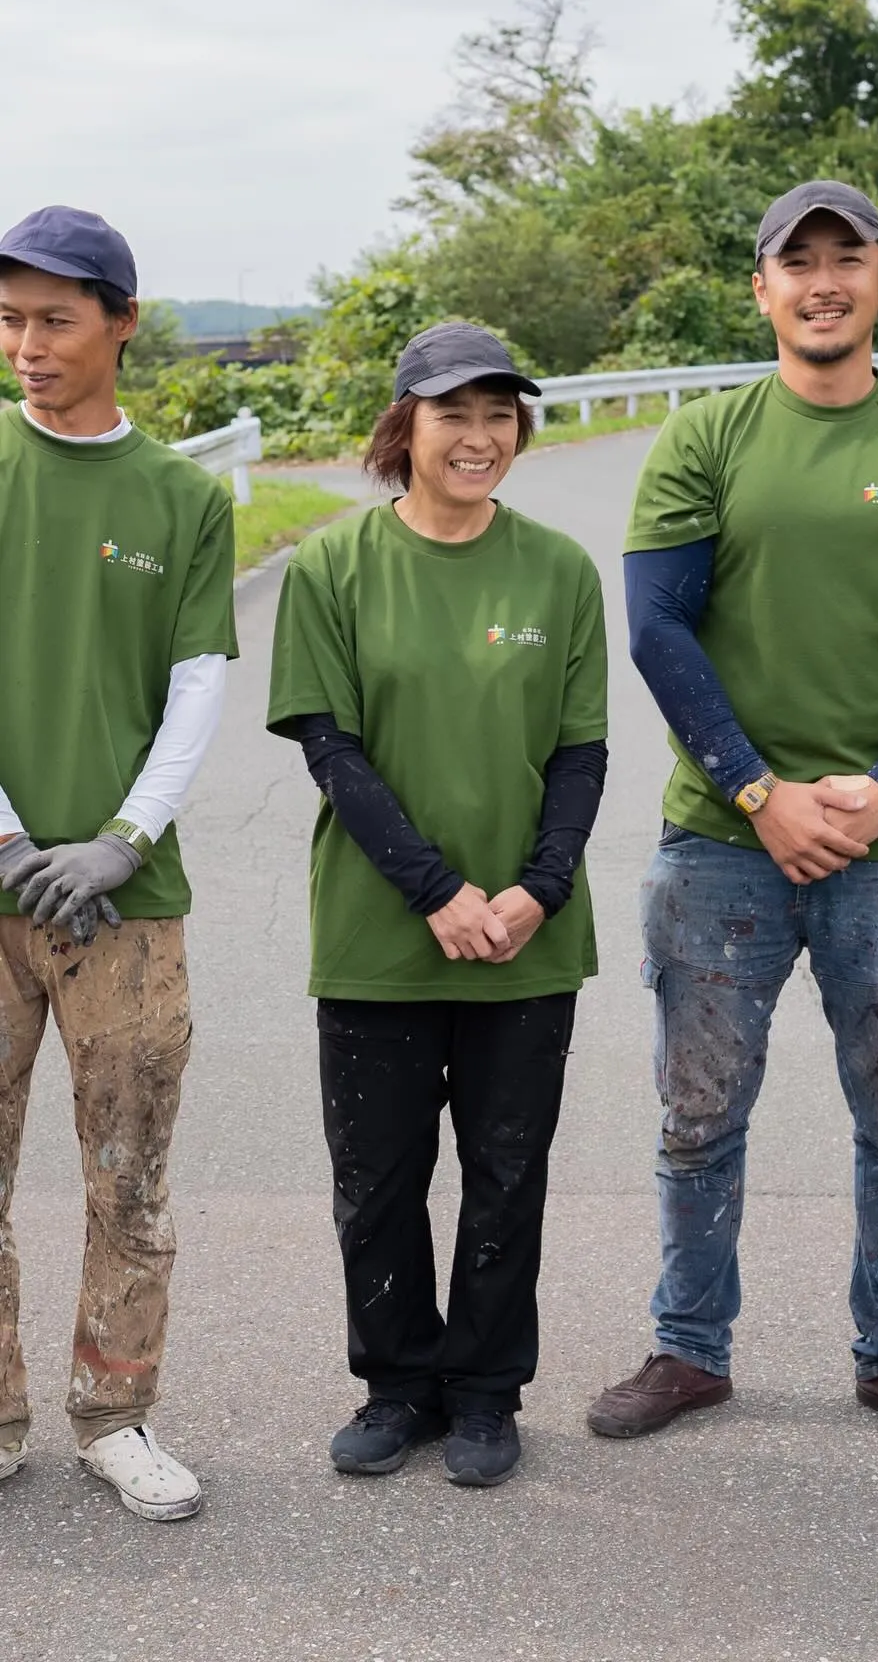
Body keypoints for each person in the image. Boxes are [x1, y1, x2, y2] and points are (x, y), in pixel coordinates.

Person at [586, 180, 878, 1457]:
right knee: (698, 1115)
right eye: (800, 262)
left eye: (850, 259)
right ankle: (689, 1348)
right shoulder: (707, 438)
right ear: (763, 288)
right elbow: (658, 627)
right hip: (720, 843)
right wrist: (756, 790)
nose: (824, 281)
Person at [267, 323, 607, 1489]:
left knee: (510, 1177)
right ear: (401, 426)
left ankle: (484, 1392)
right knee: (380, 1181)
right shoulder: (332, 568)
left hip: (527, 938)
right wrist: (439, 893)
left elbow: (579, 755)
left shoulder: (559, 570)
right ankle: (397, 1384)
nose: (479, 436)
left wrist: (536, 891)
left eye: (499, 414)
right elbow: (332, 748)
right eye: (452, 413)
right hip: (380, 937)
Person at [0, 207, 237, 1520]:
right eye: (9, 319)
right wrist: (10, 833)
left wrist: (120, 839)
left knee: (130, 1179)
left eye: (55, 319)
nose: (27, 346)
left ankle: (115, 1417)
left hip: (127, 906)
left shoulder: (185, 498)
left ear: (123, 325)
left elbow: (195, 686)